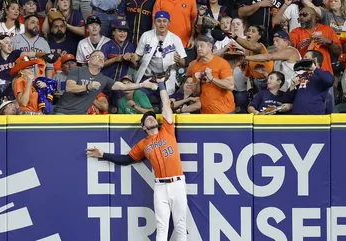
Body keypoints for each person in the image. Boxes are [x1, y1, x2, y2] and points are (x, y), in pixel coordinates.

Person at [87, 75, 187, 241]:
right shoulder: (143, 144)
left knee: (180, 226)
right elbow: (127, 159)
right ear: (143, 127)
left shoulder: (167, 131)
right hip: (160, 187)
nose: (150, 117)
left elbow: (166, 105)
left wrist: (161, 84)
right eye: (147, 118)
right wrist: (103, 155)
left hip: (177, 183)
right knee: (161, 228)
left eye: (152, 116)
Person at [54, 50, 157, 114]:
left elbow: (123, 86)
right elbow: (69, 87)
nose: (101, 59)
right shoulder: (78, 70)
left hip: (80, 116)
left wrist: (141, 84)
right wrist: (87, 87)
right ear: (89, 59)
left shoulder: (103, 79)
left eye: (103, 58)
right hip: (63, 113)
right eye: (98, 56)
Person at [187, 35, 235, 114]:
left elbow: (230, 86)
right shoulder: (195, 65)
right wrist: (198, 82)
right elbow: (195, 93)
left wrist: (212, 78)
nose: (199, 49)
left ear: (210, 47)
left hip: (225, 110)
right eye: (197, 46)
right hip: (206, 111)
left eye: (202, 46)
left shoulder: (222, 63)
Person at [289, 50, 334, 114]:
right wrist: (292, 86)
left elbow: (329, 81)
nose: (303, 60)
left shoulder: (323, 74)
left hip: (314, 115)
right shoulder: (300, 76)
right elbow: (290, 99)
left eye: (306, 57)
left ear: (314, 60)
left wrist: (314, 68)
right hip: (297, 116)